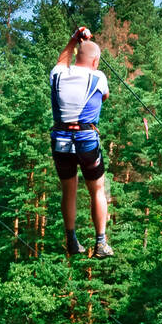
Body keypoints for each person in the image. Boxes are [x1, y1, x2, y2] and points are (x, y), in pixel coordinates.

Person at [50, 26, 113, 258]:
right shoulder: (99, 77)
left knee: (69, 191)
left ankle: (71, 241)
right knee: (97, 190)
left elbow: (61, 60)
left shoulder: (57, 74)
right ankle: (100, 243)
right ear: (95, 60)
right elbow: (104, 96)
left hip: (60, 141)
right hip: (86, 140)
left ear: (76, 54)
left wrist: (74, 39)